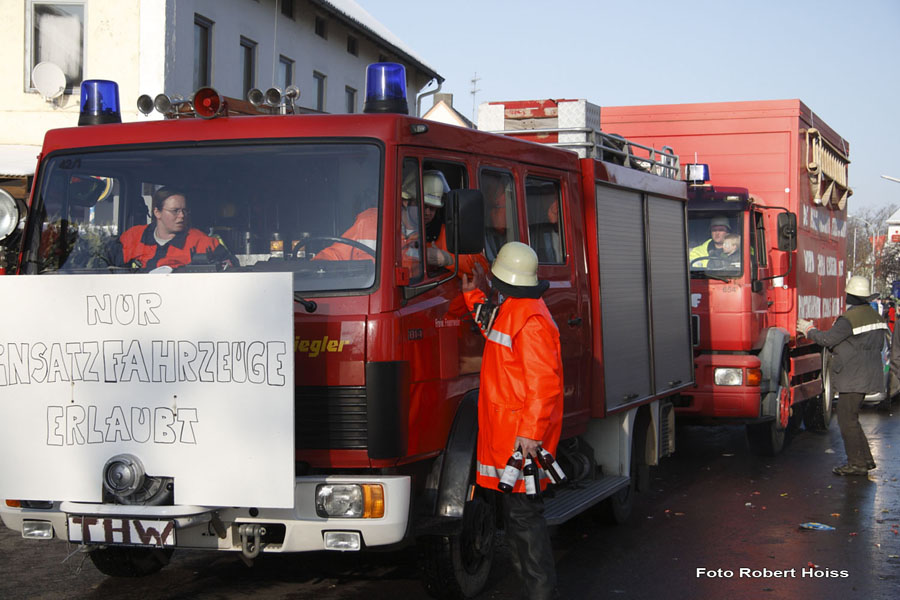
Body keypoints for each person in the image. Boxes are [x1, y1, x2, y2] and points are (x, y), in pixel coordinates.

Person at [461, 242, 563, 600]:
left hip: (519, 437)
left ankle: (541, 594)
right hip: (512, 434)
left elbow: (544, 384)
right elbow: (491, 328)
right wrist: (471, 295)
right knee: (519, 520)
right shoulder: (517, 309)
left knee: (524, 520)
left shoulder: (529, 319)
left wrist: (531, 433)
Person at [798, 275, 888, 476]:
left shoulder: (849, 319)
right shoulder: (876, 318)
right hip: (869, 375)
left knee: (846, 420)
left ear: (851, 296)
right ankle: (866, 460)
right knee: (852, 418)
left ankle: (856, 464)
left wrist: (808, 330)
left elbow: (827, 339)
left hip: (853, 377)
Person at [112, 186, 233, 270]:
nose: (182, 216)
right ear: (157, 212)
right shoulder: (133, 237)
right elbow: (105, 262)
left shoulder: (201, 242)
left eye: (184, 210)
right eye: (175, 211)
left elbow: (231, 268)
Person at [422, 170, 490, 276]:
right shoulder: (398, 230)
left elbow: (481, 266)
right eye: (424, 206)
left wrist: (448, 260)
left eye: (432, 208)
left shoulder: (447, 233)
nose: (427, 212)